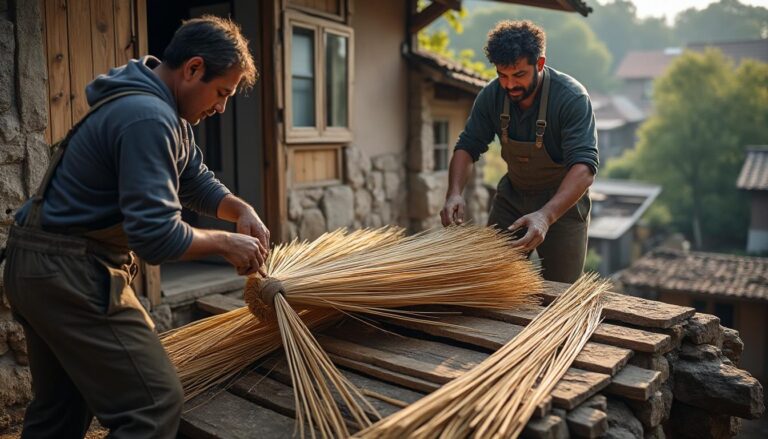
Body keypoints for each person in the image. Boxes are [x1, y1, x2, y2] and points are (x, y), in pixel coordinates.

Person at [2, 16, 268, 438]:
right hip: (67, 273)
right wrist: (225, 242)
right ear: (193, 68)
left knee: (61, 410)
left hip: (39, 265)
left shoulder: (164, 112)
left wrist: (239, 208)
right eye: (222, 93)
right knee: (153, 403)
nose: (221, 108)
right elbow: (156, 236)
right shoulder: (147, 116)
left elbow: (192, 178)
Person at [440, 20, 598, 283]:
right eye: (502, 75)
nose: (509, 85)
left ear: (539, 63)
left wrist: (546, 217)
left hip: (563, 204)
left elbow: (584, 169)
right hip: (511, 199)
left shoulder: (571, 98)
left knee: (561, 292)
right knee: (492, 281)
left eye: (519, 75)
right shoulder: (491, 96)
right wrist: (454, 192)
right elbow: (467, 147)